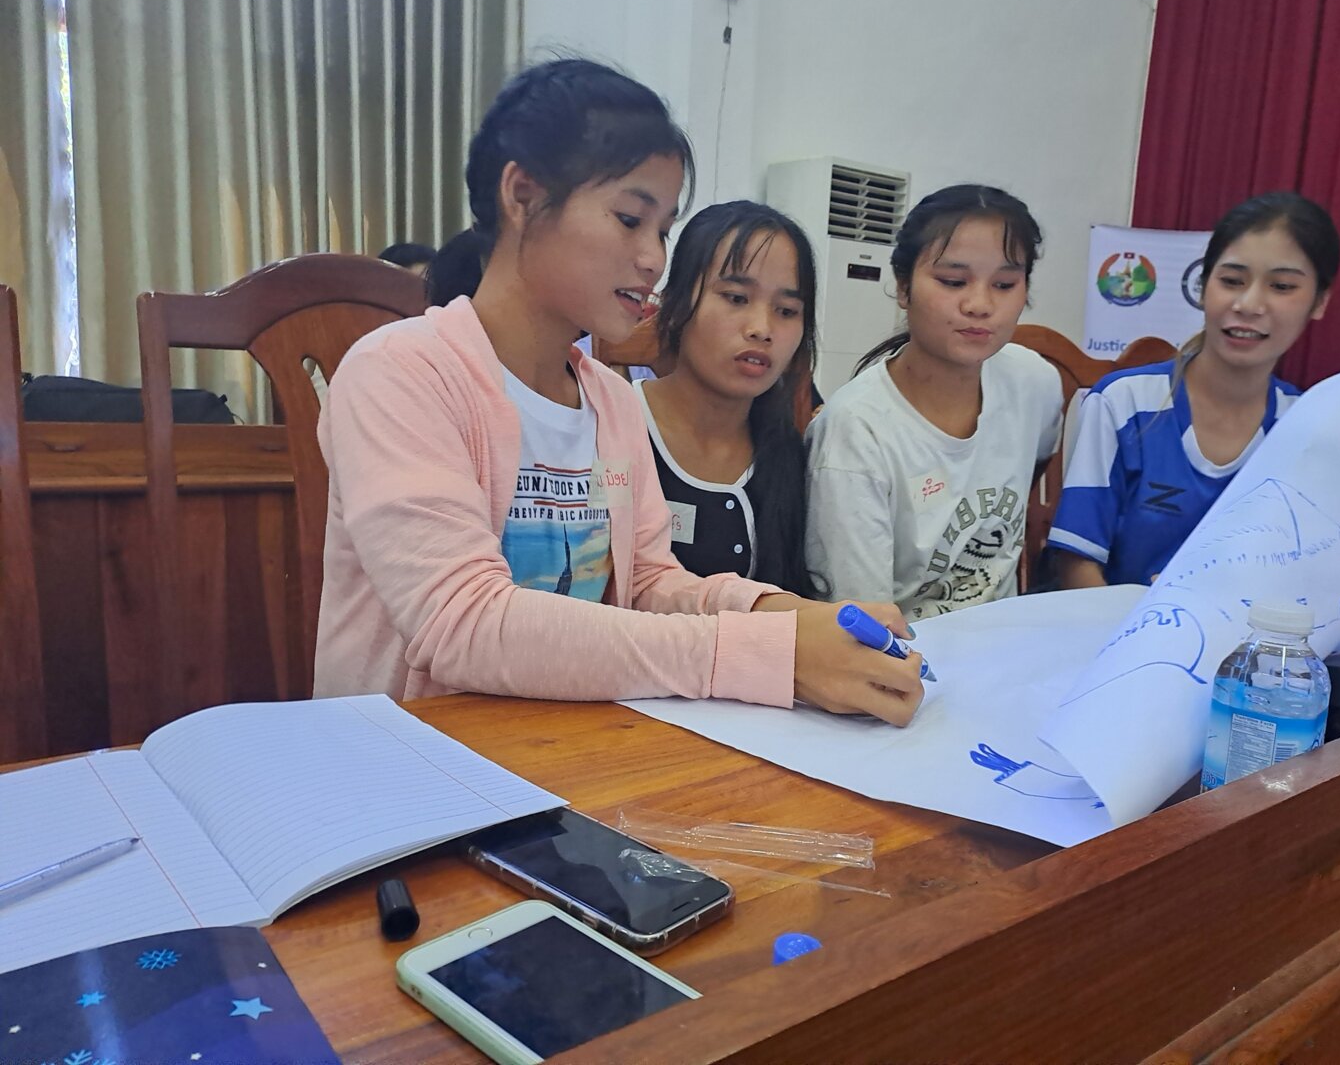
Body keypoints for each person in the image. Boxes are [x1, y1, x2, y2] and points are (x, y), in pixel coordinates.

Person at [314, 58, 922, 725]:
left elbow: (650, 584)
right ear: (521, 196)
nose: (655, 257)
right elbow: (461, 623)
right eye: (631, 218)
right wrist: (767, 652)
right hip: (410, 775)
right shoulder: (401, 371)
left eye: (662, 229)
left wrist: (790, 617)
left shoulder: (607, 400)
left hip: (571, 759)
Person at [1049, 192, 1340, 587]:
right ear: (1203, 286)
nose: (1249, 304)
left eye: (1282, 286)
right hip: (1112, 636)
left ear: (1320, 301)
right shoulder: (1123, 402)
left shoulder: (1308, 426)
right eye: (1232, 280)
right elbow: (1074, 564)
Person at [805, 184, 1063, 620]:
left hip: (1009, 649)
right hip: (904, 664)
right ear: (904, 288)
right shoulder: (856, 431)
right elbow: (861, 624)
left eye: (1004, 283)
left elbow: (1036, 457)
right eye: (953, 281)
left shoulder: (1034, 382)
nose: (980, 304)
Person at [636, 200, 816, 595]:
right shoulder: (616, 424)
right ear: (677, 300)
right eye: (736, 298)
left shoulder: (788, 451)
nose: (762, 329)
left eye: (787, 310)